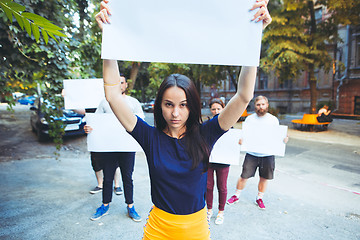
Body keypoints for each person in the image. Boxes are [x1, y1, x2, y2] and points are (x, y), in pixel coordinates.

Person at [95, 0, 271, 238]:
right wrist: (110, 40)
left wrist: (253, 36)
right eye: (168, 105)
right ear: (160, 106)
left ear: (193, 106)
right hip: (158, 230)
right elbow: (113, 95)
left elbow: (243, 95)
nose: (175, 113)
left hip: (196, 230)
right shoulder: (149, 137)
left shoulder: (206, 133)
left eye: (183, 105)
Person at [87, 75, 145, 222]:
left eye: (121, 82)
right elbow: (96, 121)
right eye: (115, 82)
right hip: (108, 147)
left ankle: (130, 206)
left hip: (127, 147)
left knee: (128, 177)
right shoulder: (104, 102)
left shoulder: (133, 102)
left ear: (125, 85)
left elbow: (141, 122)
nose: (119, 85)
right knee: (108, 178)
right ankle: (104, 206)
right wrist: (89, 128)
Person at [227, 95, 288, 210]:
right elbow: (245, 136)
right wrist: (241, 141)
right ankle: (236, 195)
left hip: (268, 155)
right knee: (244, 176)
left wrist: (284, 139)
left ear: (267, 105)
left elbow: (277, 136)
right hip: (252, 154)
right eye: (258, 104)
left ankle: (259, 198)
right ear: (255, 106)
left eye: (263, 104)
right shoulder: (250, 119)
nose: (261, 107)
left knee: (264, 178)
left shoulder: (273, 120)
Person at [206, 98, 230, 225]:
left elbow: (234, 141)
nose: (216, 111)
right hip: (209, 160)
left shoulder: (229, 124)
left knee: (222, 186)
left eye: (218, 109)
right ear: (210, 110)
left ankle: (221, 211)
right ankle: (209, 210)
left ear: (223, 109)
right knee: (208, 186)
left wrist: (239, 142)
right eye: (213, 109)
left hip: (224, 160)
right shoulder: (207, 124)